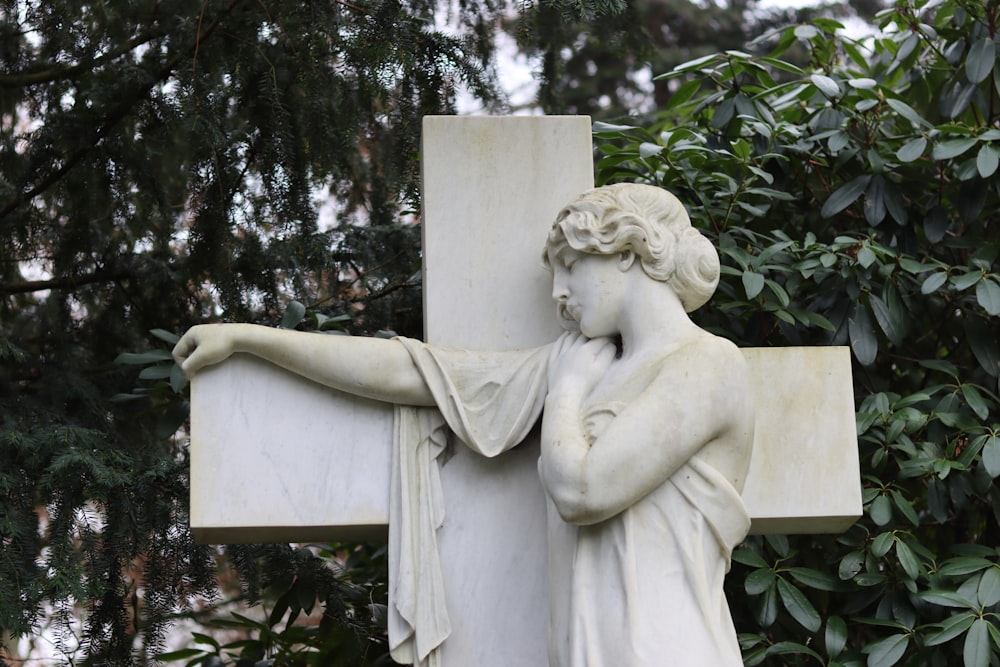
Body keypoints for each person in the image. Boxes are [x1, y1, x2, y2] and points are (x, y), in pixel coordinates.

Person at [173, 183, 755, 666]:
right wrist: (250, 340)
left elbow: (583, 490)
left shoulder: (707, 364)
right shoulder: (578, 361)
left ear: (626, 252)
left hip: (673, 649)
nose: (558, 294)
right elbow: (420, 374)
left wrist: (569, 390)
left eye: (571, 267)